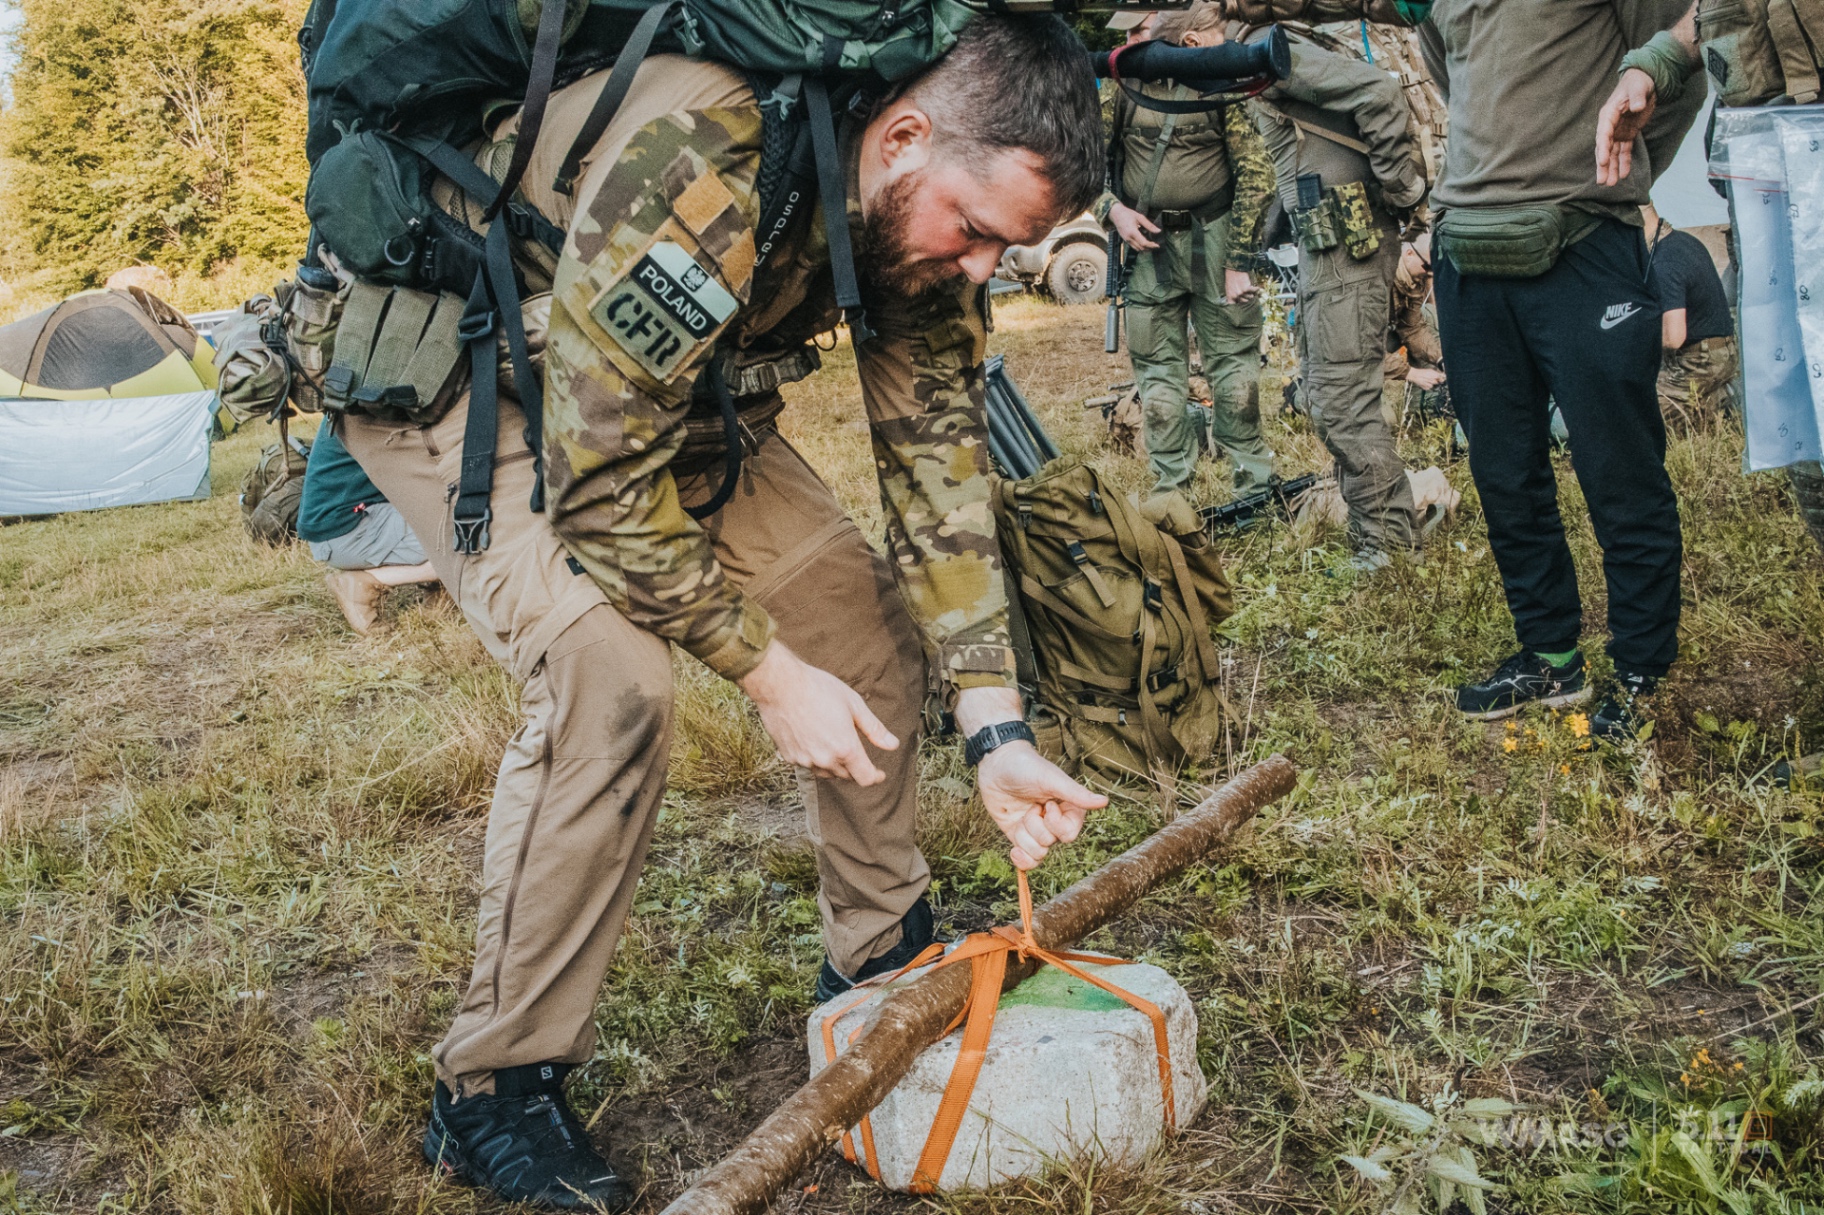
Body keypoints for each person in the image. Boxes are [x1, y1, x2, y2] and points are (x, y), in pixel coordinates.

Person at [333, 17, 1107, 1208]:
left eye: (1007, 247)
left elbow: (937, 458)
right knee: (610, 680)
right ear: (905, 136)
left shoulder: (913, 220)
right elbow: (600, 484)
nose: (982, 267)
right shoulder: (703, 150)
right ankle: (491, 1086)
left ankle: (879, 952)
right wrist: (765, 672)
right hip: (474, 386)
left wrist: (994, 725)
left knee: (857, 620)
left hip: (665, 407)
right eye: (978, 231)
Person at [1419, 1, 1703, 739]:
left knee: (1618, 466)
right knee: (1503, 471)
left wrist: (1618, 173)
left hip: (1585, 242)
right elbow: (1455, 74)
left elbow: (1682, 58)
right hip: (1469, 251)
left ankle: (1641, 667)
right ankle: (1549, 657)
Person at [1250, 21, 1429, 569]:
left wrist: (1401, 189)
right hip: (1326, 248)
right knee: (1329, 398)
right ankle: (1379, 532)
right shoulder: (1247, 57)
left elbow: (1379, 93)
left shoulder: (1264, 47)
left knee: (1342, 402)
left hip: (1349, 246)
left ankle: (1390, 545)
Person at [1099, 0, 1277, 499]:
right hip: (1146, 246)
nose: (1131, 44)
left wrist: (1239, 262)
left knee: (1236, 372)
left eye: (1141, 31)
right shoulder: (1121, 87)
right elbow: (1083, 165)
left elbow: (1257, 174)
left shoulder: (1222, 85)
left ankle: (1253, 486)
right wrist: (1113, 211)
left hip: (1216, 238)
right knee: (1157, 382)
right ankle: (1171, 490)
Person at [294, 422, 437, 634]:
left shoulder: (348, 406)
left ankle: (440, 591)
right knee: (468, 540)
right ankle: (364, 584)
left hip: (337, 527)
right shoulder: (376, 411)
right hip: (349, 530)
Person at [1641, 208, 1738, 430]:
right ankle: (1712, 404)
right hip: (1721, 352)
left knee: (1635, 417)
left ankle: (1711, 405)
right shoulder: (1683, 241)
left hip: (1698, 360)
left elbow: (1673, 338)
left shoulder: (1664, 262)